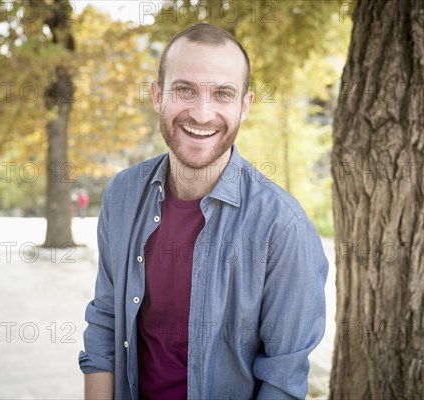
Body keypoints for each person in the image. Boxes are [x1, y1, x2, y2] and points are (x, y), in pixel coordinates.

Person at [79, 23, 328, 399]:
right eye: (185, 89)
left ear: (244, 106)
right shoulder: (123, 195)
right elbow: (104, 323)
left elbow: (282, 380)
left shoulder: (283, 227)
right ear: (156, 96)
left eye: (223, 94)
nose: (202, 113)